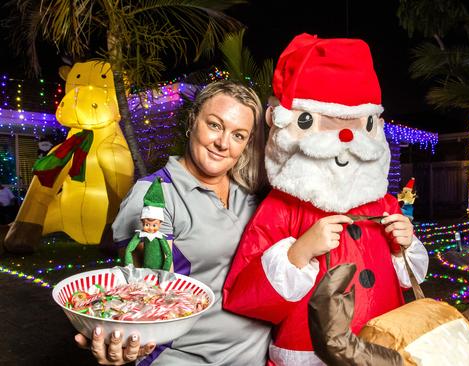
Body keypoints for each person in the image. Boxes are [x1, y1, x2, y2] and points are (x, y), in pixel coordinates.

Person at [222, 34, 429, 365]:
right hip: (307, 351)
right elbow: (244, 295)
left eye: (357, 126)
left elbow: (408, 278)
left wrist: (406, 246)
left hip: (383, 343)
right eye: (324, 124)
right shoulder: (281, 207)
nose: (345, 138)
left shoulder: (383, 204)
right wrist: (299, 251)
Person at [74, 80, 272, 365]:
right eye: (215, 125)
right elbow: (139, 294)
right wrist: (120, 340)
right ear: (192, 121)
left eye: (238, 135)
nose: (223, 143)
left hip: (258, 354)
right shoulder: (154, 196)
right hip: (189, 358)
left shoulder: (249, 194)